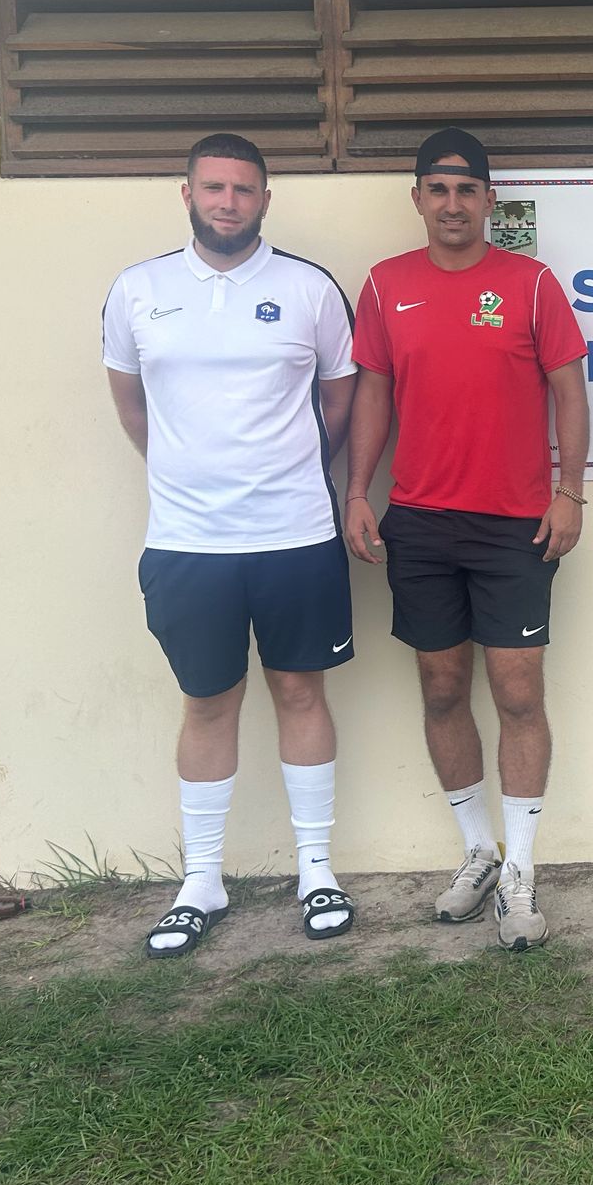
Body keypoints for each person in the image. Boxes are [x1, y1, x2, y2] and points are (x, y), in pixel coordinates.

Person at [102, 133, 360, 958]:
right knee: (208, 703)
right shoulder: (139, 291)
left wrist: (280, 472)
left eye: (244, 190)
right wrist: (194, 476)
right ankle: (201, 882)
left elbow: (340, 400)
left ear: (265, 201)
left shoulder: (309, 289)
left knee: (299, 695)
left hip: (295, 535)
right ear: (186, 193)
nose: (227, 202)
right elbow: (133, 407)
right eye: (213, 187)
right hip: (187, 542)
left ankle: (317, 870)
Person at [344, 127, 590, 953]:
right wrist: (357, 491)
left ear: (489, 200)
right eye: (438, 190)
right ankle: (477, 852)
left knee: (519, 696)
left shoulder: (529, 285)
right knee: (443, 691)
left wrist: (569, 493)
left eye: (468, 190)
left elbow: (569, 392)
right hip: (419, 521)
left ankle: (521, 870)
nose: (453, 205)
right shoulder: (384, 288)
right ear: (418, 198)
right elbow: (372, 397)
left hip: (514, 524)